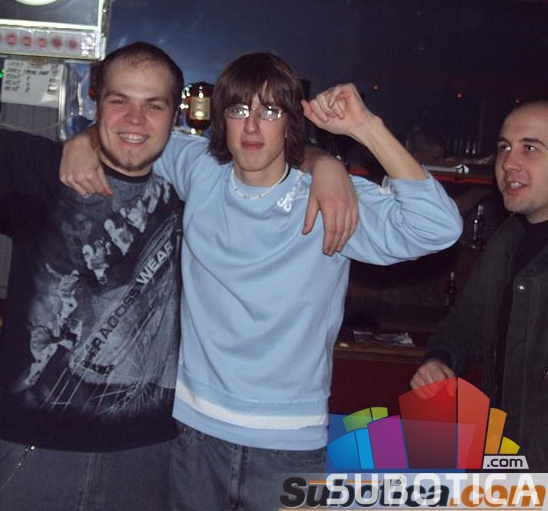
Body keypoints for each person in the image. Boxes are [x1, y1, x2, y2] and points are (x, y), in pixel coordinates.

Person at [0, 0, 358, 510]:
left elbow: (265, 156)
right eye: (120, 101)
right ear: (95, 103)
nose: (135, 120)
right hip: (31, 445)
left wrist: (322, 160)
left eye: (154, 105)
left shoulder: (198, 188)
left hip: (147, 455)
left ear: (177, 116)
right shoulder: (46, 170)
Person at [62, 52, 462, 510]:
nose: (252, 126)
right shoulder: (201, 169)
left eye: (270, 111)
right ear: (221, 119)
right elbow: (131, 138)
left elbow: (438, 227)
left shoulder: (328, 199)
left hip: (289, 443)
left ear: (291, 123)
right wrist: (82, 141)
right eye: (239, 110)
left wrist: (366, 129)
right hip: (193, 431)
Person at [411, 100, 548, 472]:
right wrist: (441, 359)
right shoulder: (507, 240)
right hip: (508, 468)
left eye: (530, 148)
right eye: (504, 147)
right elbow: (465, 327)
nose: (509, 163)